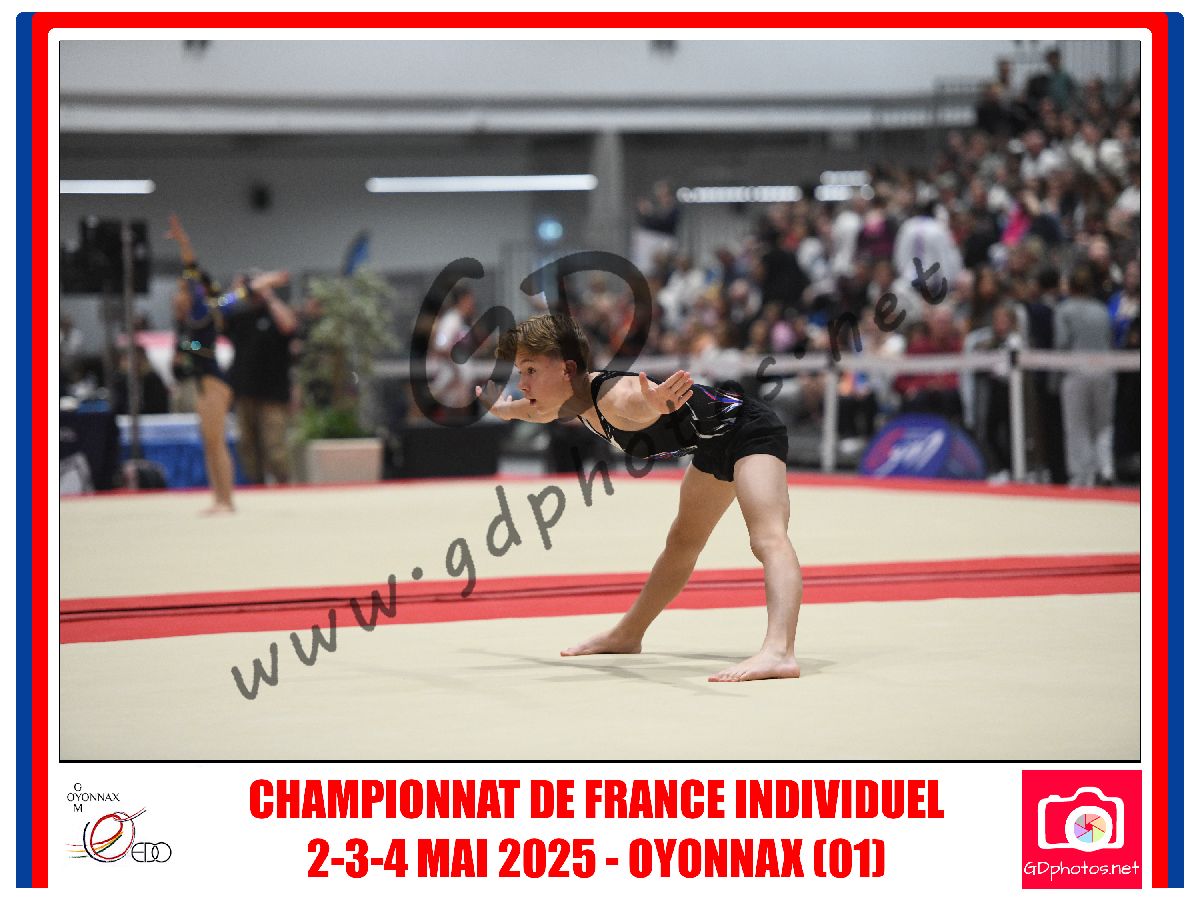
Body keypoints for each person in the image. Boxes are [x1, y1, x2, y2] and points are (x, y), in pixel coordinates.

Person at [475, 313, 801, 683]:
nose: (522, 382)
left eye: (530, 370)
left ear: (567, 369)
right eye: (520, 372)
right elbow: (534, 410)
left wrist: (654, 404)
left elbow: (634, 402)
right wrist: (502, 409)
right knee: (682, 542)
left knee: (767, 537)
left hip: (750, 430)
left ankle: (780, 651)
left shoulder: (614, 397)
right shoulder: (570, 401)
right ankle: (628, 634)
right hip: (713, 441)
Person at [166, 214, 286, 512]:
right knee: (210, 442)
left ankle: (227, 500)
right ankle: (218, 498)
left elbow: (197, 273)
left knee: (216, 442)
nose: (176, 297)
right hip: (203, 382)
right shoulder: (192, 320)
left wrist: (184, 243)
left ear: (193, 294)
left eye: (181, 291)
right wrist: (186, 348)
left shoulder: (202, 310)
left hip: (214, 382)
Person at [224, 272, 299, 484]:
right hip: (244, 391)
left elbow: (289, 326)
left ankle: (284, 485)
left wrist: (268, 295)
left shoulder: (274, 314)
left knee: (275, 447)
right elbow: (217, 309)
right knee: (247, 448)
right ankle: (255, 487)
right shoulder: (240, 317)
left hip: (273, 394)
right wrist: (239, 290)